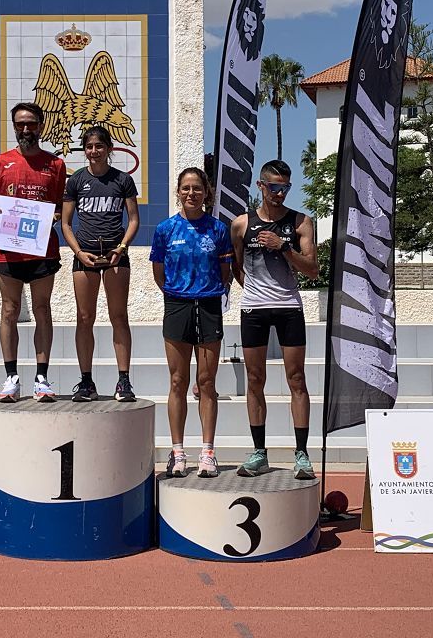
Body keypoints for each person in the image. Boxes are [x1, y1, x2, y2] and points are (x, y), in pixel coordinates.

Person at [230, 160, 319, 479]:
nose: (280, 193)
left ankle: (302, 454)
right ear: (261, 186)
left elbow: (312, 269)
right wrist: (255, 291)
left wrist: (284, 248)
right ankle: (259, 453)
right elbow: (237, 268)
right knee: (255, 380)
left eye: (286, 188)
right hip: (254, 307)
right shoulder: (241, 224)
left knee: (297, 379)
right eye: (275, 187)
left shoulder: (301, 222)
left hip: (288, 307)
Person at [151, 167, 233, 478]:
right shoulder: (165, 229)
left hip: (209, 304)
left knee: (208, 382)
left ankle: (208, 453)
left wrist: (209, 291)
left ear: (206, 192)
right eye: (185, 188)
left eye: (197, 188)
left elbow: (225, 272)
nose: (191, 193)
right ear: (178, 192)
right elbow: (159, 271)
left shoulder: (218, 229)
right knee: (177, 381)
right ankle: (178, 452)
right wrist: (177, 293)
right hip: (176, 304)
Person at [0, 102, 67, 403]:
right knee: (9, 310)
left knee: (42, 310)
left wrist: (57, 216)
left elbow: (61, 207)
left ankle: (41, 377)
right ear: (14, 126)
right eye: (20, 124)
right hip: (8, 250)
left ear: (41, 126)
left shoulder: (55, 165)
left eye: (31, 124)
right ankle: (11, 377)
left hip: (42, 250)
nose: (26, 129)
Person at [62, 126, 140, 403]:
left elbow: (133, 220)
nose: (93, 152)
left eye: (98, 146)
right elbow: (66, 223)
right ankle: (85, 381)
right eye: (89, 147)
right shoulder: (76, 181)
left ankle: (124, 381)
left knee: (119, 316)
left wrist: (122, 247)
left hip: (116, 255)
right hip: (86, 256)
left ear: (109, 149)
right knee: (85, 318)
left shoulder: (122, 180)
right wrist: (79, 252)